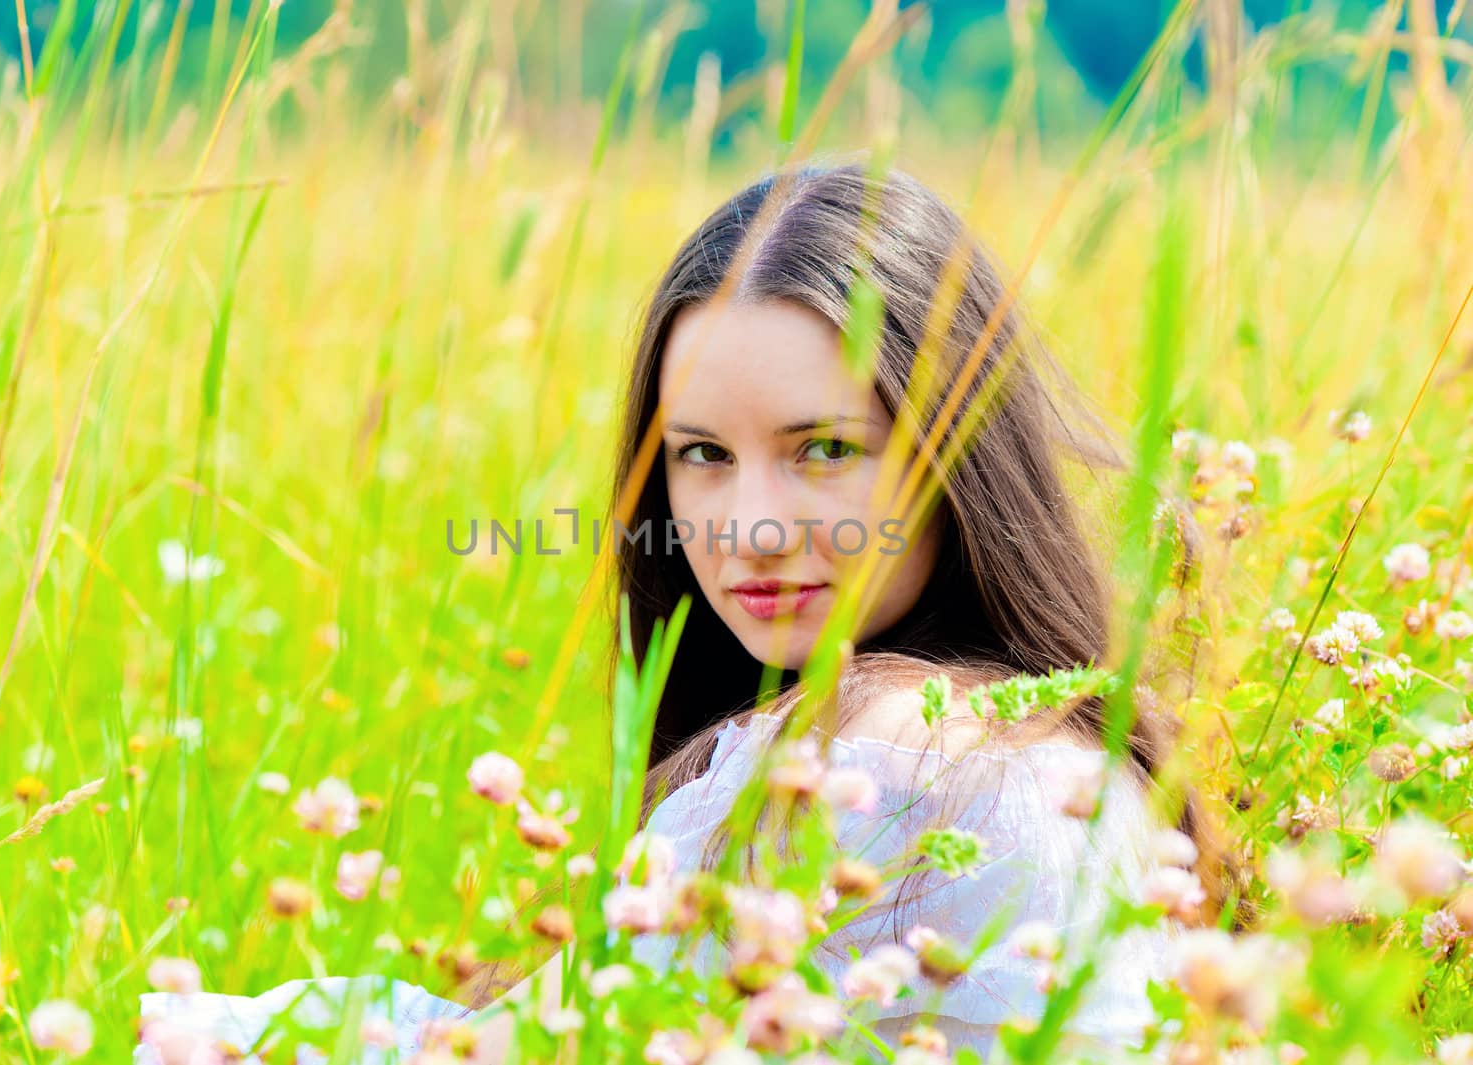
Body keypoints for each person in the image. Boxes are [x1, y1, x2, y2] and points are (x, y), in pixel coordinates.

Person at [136, 160, 1221, 1063]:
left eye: (824, 449)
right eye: (701, 454)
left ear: (958, 460)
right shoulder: (1073, 756)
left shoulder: (887, 756)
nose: (749, 527)